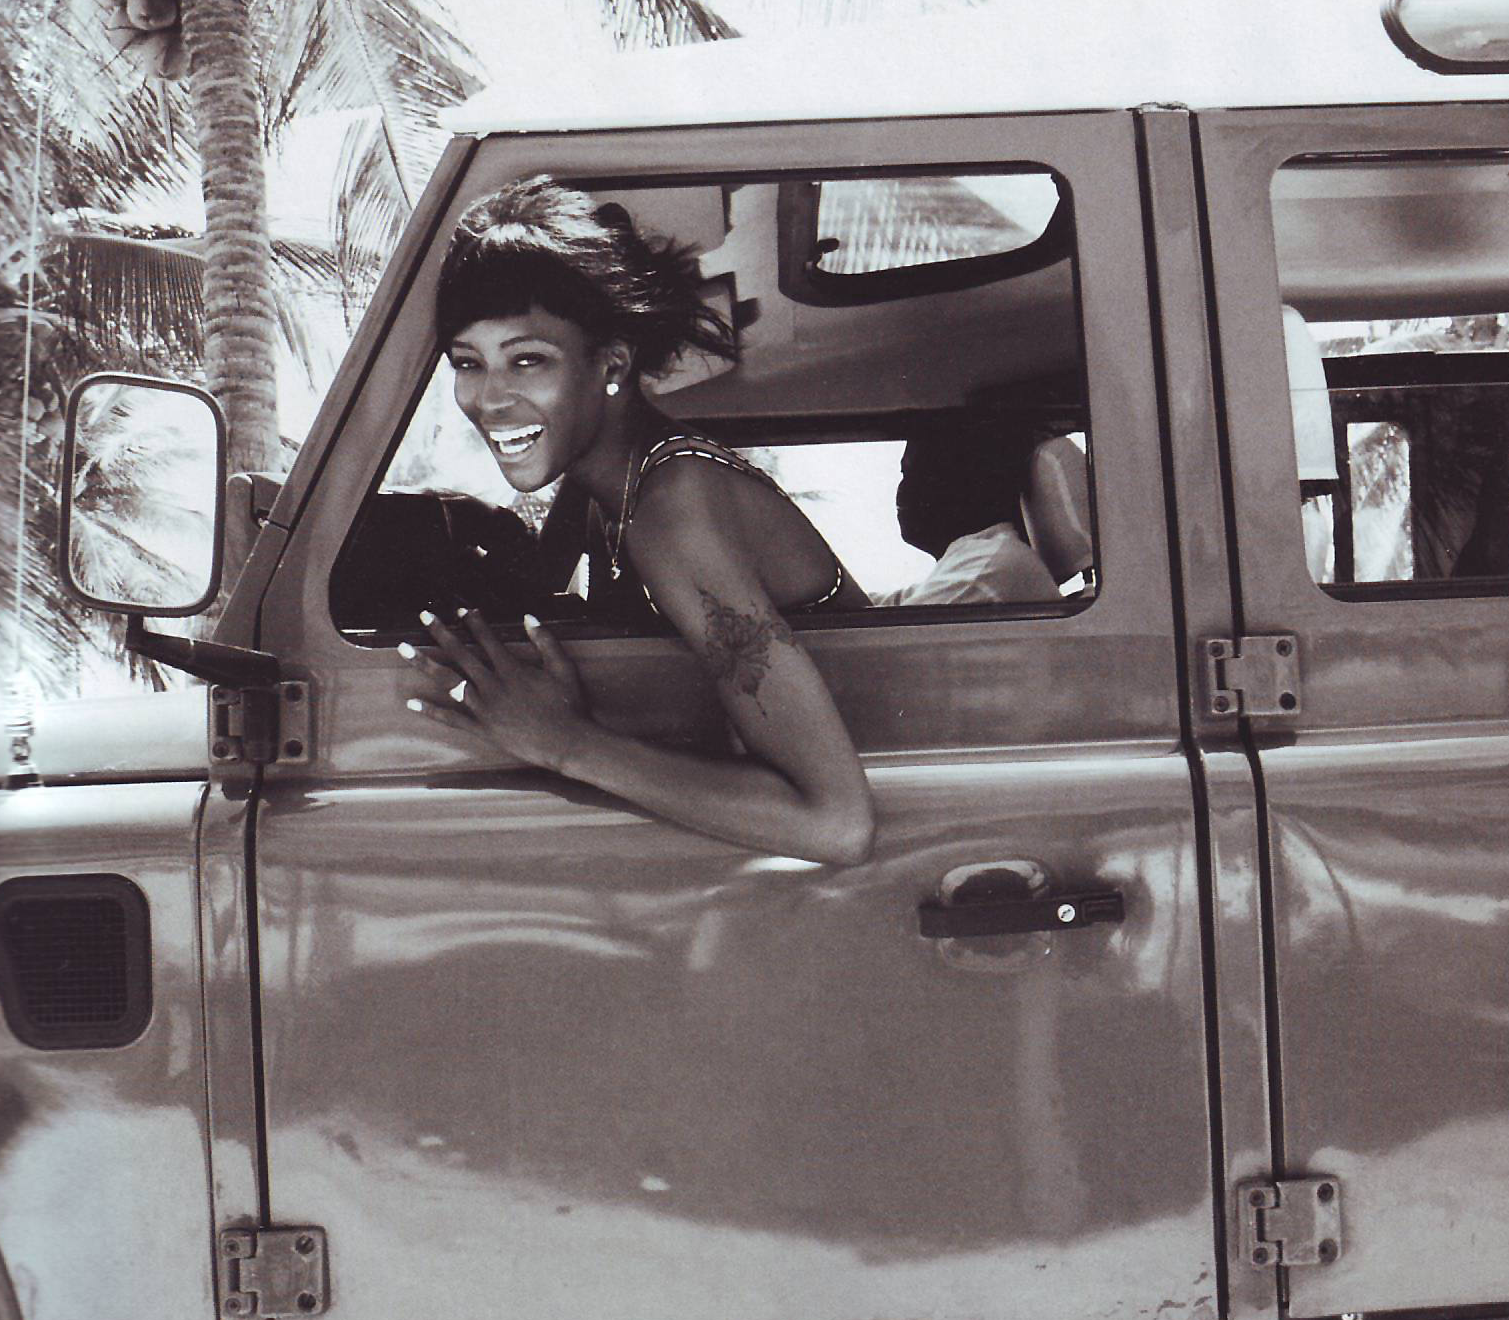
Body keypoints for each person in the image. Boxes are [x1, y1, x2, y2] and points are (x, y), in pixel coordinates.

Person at [402, 176, 875, 864]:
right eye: (468, 363)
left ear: (612, 363)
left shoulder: (673, 508)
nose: (490, 398)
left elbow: (834, 823)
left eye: (528, 360)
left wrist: (565, 745)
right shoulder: (604, 483)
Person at [877, 415, 1063, 606]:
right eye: (905, 474)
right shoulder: (981, 558)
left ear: (970, 484)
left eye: (922, 475)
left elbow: (882, 626)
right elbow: (883, 606)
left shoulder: (986, 567)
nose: (903, 489)